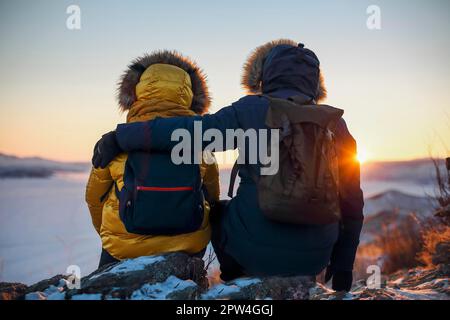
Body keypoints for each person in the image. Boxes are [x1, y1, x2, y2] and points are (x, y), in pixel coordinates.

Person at [92, 40, 364, 292]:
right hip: (316, 257)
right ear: (314, 83)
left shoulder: (252, 110)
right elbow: (352, 205)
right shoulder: (336, 125)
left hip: (254, 253)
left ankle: (235, 278)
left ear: (266, 76)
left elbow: (190, 133)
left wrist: (122, 137)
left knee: (218, 212)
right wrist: (342, 266)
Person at [86, 50, 220, 268]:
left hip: (123, 247)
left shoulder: (117, 141)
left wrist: (111, 233)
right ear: (191, 96)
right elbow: (212, 196)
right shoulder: (198, 144)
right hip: (189, 245)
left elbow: (94, 198)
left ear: (135, 92)